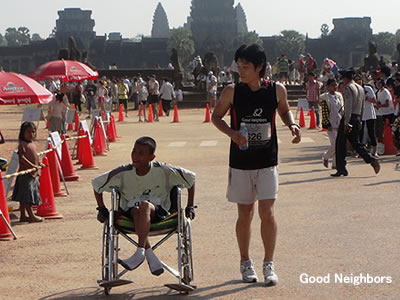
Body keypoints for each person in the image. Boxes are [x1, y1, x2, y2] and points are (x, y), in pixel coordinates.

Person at [212, 44, 301, 286]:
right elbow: (216, 116)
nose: (240, 71)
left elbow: (284, 111)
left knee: (268, 212)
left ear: (259, 67)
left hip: (267, 159)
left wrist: (292, 124)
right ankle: (245, 261)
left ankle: (268, 263)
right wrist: (231, 133)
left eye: (245, 67)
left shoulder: (276, 90)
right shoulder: (232, 91)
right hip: (241, 161)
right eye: (238, 66)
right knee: (245, 214)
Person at [92, 136, 196, 276]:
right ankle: (147, 253)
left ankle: (140, 251)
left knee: (144, 206)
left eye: (141, 153)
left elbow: (191, 179)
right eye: (134, 151)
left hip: (159, 212)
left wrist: (190, 205)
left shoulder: (164, 170)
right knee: (137, 209)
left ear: (152, 157)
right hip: (131, 212)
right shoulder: (123, 173)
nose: (135, 156)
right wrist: (101, 208)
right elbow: (96, 184)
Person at [332, 70, 380, 177]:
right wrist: (361, 119)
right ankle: (370, 158)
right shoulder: (360, 88)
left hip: (349, 117)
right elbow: (362, 106)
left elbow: (348, 107)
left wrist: (346, 122)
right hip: (357, 116)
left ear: (345, 78)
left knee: (340, 143)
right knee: (355, 142)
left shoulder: (349, 88)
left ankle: (341, 168)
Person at [11, 122, 43, 223]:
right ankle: (31, 215)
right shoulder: (22, 145)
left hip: (32, 175)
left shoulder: (32, 144)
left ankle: (23, 216)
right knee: (26, 198)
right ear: (22, 133)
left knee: (25, 196)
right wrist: (32, 166)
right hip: (25, 175)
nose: (31, 134)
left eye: (33, 132)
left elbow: (35, 157)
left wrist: (39, 164)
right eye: (28, 132)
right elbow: (22, 158)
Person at [320, 79, 343, 169]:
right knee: (334, 144)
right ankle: (326, 157)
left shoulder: (339, 96)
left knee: (338, 145)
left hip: (339, 122)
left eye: (336, 85)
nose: (335, 87)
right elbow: (324, 112)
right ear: (329, 86)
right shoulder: (325, 97)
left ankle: (335, 163)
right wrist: (327, 123)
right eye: (333, 85)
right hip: (330, 123)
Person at [356, 75, 378, 157]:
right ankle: (360, 152)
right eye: (356, 80)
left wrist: (367, 99)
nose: (358, 81)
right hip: (360, 114)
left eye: (359, 79)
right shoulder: (355, 90)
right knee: (360, 133)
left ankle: (374, 151)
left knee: (371, 131)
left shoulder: (368, 89)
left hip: (369, 113)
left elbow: (375, 100)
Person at [375, 78, 395, 154]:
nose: (378, 85)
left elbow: (387, 104)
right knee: (381, 131)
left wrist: (379, 106)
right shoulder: (378, 92)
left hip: (389, 113)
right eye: (377, 83)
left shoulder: (386, 92)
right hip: (382, 114)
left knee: (390, 130)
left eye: (379, 83)